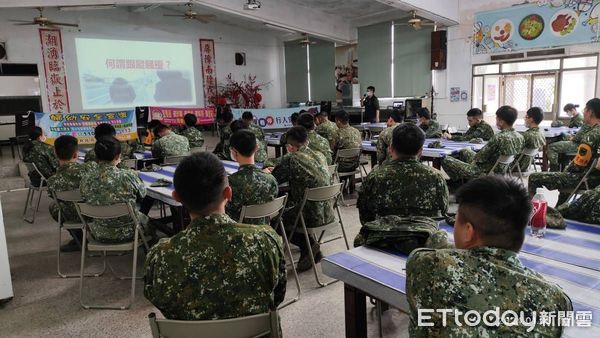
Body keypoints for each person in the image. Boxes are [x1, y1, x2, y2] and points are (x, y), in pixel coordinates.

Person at [406, 176, 572, 337]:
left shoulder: (426, 266)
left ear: (468, 232)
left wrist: (438, 238)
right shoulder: (555, 300)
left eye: (456, 221)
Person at [144, 152, 286, 320]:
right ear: (228, 193)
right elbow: (277, 296)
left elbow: (161, 302)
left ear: (177, 198)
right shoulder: (266, 240)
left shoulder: (160, 256)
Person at [267, 126, 333, 272]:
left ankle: (307, 245)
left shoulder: (292, 159)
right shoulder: (320, 155)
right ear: (307, 141)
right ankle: (311, 248)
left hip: (308, 214)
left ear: (290, 147)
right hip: (328, 212)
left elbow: (272, 181)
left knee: (275, 221)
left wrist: (268, 170)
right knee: (292, 207)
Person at [357, 124, 448, 224]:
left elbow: (365, 218)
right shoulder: (436, 177)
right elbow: (443, 212)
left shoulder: (375, 177)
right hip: (424, 236)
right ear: (421, 151)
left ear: (391, 149)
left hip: (385, 236)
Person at [529, 98, 600, 203]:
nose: (583, 112)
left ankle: (530, 212)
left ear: (590, 112)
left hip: (585, 178)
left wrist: (564, 171)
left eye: (585, 110)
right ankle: (560, 209)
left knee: (533, 177)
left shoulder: (592, 135)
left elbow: (577, 166)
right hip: (594, 178)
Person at [80, 136, 148, 243]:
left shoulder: (85, 179)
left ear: (96, 156)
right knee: (152, 225)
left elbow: (84, 198)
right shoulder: (128, 176)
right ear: (118, 156)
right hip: (130, 232)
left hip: (98, 232)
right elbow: (143, 194)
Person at [442, 105, 524, 182]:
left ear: (501, 122)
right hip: (499, 170)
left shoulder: (499, 137)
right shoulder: (520, 137)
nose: (496, 121)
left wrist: (470, 163)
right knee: (465, 151)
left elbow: (480, 157)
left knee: (446, 159)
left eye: (497, 119)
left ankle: (458, 184)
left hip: (484, 172)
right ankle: (464, 180)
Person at [48, 135, 97, 252]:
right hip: (98, 214)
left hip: (76, 217)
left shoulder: (52, 182)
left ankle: (79, 239)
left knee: (54, 207)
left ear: (55, 153)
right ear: (76, 154)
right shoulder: (91, 168)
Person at [226, 130, 278, 224]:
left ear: (233, 151)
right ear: (257, 147)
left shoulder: (230, 182)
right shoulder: (271, 179)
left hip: (240, 232)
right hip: (265, 230)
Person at [515, 107, 546, 172]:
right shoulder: (541, 133)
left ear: (531, 119)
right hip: (526, 166)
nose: (524, 119)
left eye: (526, 117)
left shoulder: (526, 136)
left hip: (515, 166)